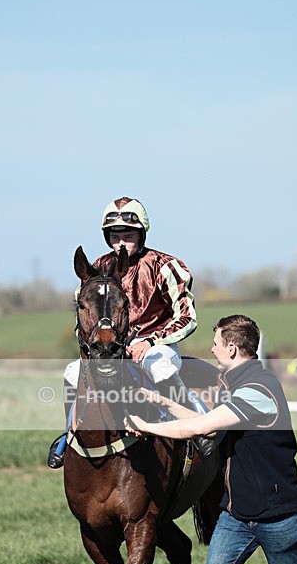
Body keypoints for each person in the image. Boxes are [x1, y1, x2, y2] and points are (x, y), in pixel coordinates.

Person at [126, 314, 297, 564]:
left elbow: (198, 429)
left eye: (215, 342)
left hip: (280, 516)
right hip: (238, 516)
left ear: (233, 348)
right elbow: (208, 424)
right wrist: (161, 402)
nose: (210, 349)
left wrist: (148, 425)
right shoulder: (236, 387)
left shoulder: (260, 389)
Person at [47, 197, 199, 468]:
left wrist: (150, 341)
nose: (120, 243)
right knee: (72, 372)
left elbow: (188, 318)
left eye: (127, 236)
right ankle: (69, 435)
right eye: (115, 237)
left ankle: (195, 429)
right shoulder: (98, 267)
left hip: (157, 346)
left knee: (159, 366)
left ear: (141, 235)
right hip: (114, 349)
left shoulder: (164, 265)